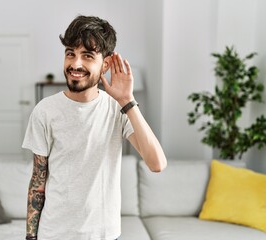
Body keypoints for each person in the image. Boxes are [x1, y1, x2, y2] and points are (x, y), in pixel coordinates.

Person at [22, 15, 167, 240]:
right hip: (55, 235)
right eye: (70, 53)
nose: (75, 64)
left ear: (105, 64)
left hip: (105, 235)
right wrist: (30, 236)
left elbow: (157, 163)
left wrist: (127, 101)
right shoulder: (45, 111)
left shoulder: (117, 109)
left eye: (87, 56)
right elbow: (37, 183)